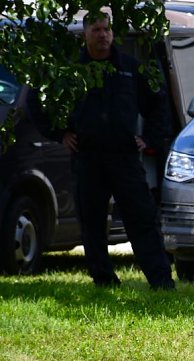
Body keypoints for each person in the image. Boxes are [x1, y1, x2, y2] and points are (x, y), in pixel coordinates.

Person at [29, 10, 175, 289]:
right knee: (92, 222)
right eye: (96, 30)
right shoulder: (72, 71)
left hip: (124, 155)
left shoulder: (129, 69)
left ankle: (161, 281)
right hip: (87, 156)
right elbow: (38, 102)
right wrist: (60, 134)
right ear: (84, 34)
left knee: (141, 219)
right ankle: (103, 279)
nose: (103, 35)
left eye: (107, 30)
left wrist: (151, 139)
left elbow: (158, 104)